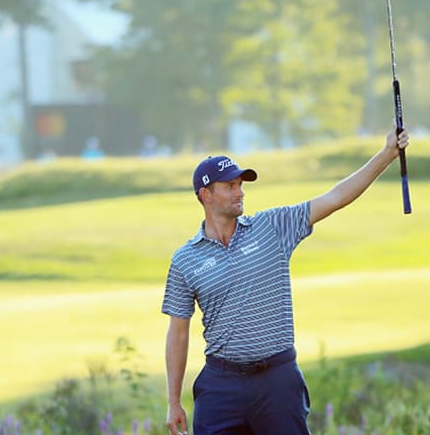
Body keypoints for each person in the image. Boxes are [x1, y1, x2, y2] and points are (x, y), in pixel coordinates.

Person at [162, 125, 410, 435]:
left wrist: (387, 154)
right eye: (230, 186)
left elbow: (335, 198)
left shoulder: (272, 227)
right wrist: (173, 401)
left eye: (241, 184)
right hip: (221, 385)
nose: (240, 192)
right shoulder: (185, 260)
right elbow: (178, 334)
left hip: (277, 381)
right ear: (205, 194)